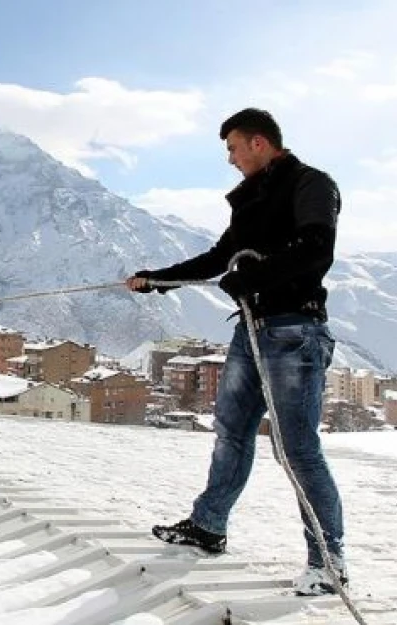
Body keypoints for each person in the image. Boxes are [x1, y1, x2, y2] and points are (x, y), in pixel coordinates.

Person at [126, 108, 346, 596]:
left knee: (297, 450)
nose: (229, 159)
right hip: (252, 332)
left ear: (259, 143)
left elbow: (316, 249)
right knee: (231, 431)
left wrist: (255, 277)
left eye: (232, 148)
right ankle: (208, 526)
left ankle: (327, 562)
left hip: (295, 330)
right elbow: (216, 259)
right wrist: (156, 280)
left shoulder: (312, 184)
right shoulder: (253, 202)